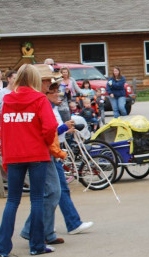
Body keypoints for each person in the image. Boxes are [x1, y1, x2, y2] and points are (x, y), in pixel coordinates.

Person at [21, 69, 94, 244]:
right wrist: (59, 144)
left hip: (50, 151)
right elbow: (48, 131)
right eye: (52, 87)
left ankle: (49, 231)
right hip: (45, 152)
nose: (57, 93)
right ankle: (36, 230)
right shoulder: (40, 102)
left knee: (55, 192)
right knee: (52, 192)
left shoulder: (47, 104)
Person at [0, 64, 58, 257]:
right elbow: (50, 127)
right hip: (37, 154)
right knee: (37, 199)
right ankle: (36, 245)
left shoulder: (7, 100)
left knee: (12, 201)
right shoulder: (40, 99)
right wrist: (46, 144)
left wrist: (6, 156)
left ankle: (3, 248)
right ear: (34, 79)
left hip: (14, 155)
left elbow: (4, 131)